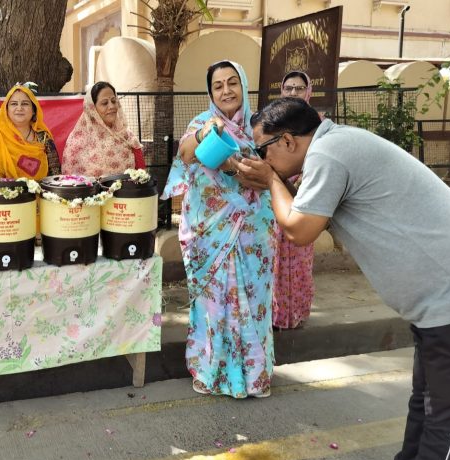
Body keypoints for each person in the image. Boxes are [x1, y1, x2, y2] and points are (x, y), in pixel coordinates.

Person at [241, 97, 450, 460]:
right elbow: (303, 206)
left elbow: (299, 230)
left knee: (448, 418)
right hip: (438, 302)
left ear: (286, 141)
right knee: (426, 402)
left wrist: (269, 180)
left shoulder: (329, 155)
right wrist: (274, 179)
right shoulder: (334, 147)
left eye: (261, 149)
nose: (260, 158)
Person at [161, 60, 276, 398]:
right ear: (210, 92)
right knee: (213, 307)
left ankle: (255, 376)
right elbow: (185, 154)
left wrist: (242, 168)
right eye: (218, 86)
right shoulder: (202, 122)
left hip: (254, 232)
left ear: (243, 86)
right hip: (209, 234)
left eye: (232, 83)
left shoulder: (261, 127)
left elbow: (277, 170)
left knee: (253, 304)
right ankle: (210, 371)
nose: (226, 91)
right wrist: (205, 135)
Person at [272, 71, 316, 329]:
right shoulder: (274, 122)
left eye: (299, 88)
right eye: (288, 88)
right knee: (275, 258)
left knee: (299, 260)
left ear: (308, 92)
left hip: (306, 199)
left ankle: (295, 313)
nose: (293, 93)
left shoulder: (316, 125)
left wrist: (300, 184)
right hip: (277, 197)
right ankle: (275, 314)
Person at [0, 83, 61, 180]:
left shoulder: (43, 138)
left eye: (25, 104)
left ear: (34, 110)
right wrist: (6, 186)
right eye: (14, 104)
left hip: (40, 194)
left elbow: (55, 176)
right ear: (6, 110)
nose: (19, 108)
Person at [62, 81, 145, 177]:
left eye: (114, 101)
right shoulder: (77, 141)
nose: (112, 106)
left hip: (127, 191)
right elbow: (69, 180)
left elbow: (141, 174)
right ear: (92, 109)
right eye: (105, 103)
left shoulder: (127, 136)